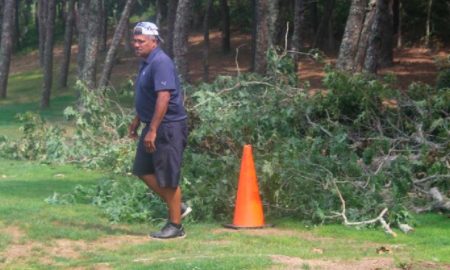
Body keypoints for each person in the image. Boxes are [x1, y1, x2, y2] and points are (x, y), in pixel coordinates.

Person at [129, 21, 191, 239]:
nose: (136, 45)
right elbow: (149, 95)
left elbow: (164, 97)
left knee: (168, 177)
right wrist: (138, 119)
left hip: (168, 127)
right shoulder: (146, 61)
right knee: (142, 169)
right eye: (134, 41)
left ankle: (176, 226)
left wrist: (153, 130)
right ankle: (178, 206)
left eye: (141, 41)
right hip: (152, 124)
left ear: (154, 42)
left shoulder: (161, 62)